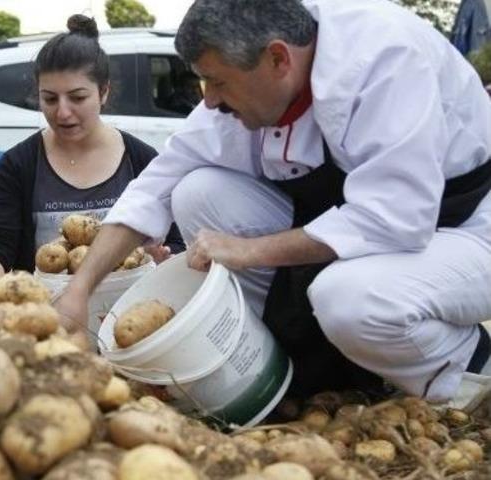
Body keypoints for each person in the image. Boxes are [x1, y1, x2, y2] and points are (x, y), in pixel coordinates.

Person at [55, 0, 491, 407]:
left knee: (350, 300)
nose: (208, 99)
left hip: (460, 230)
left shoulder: (385, 60)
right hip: (362, 227)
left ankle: (465, 375)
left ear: (278, 59)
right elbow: (159, 182)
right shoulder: (255, 72)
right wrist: (79, 289)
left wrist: (250, 251)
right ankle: (282, 371)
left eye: (218, 81)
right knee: (197, 191)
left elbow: (396, 217)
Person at [0, 15, 185, 298]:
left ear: (103, 92)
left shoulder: (141, 159)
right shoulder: (17, 165)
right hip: (47, 324)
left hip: (125, 316)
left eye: (77, 97)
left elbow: (177, 242)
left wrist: (162, 257)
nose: (63, 112)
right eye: (50, 99)